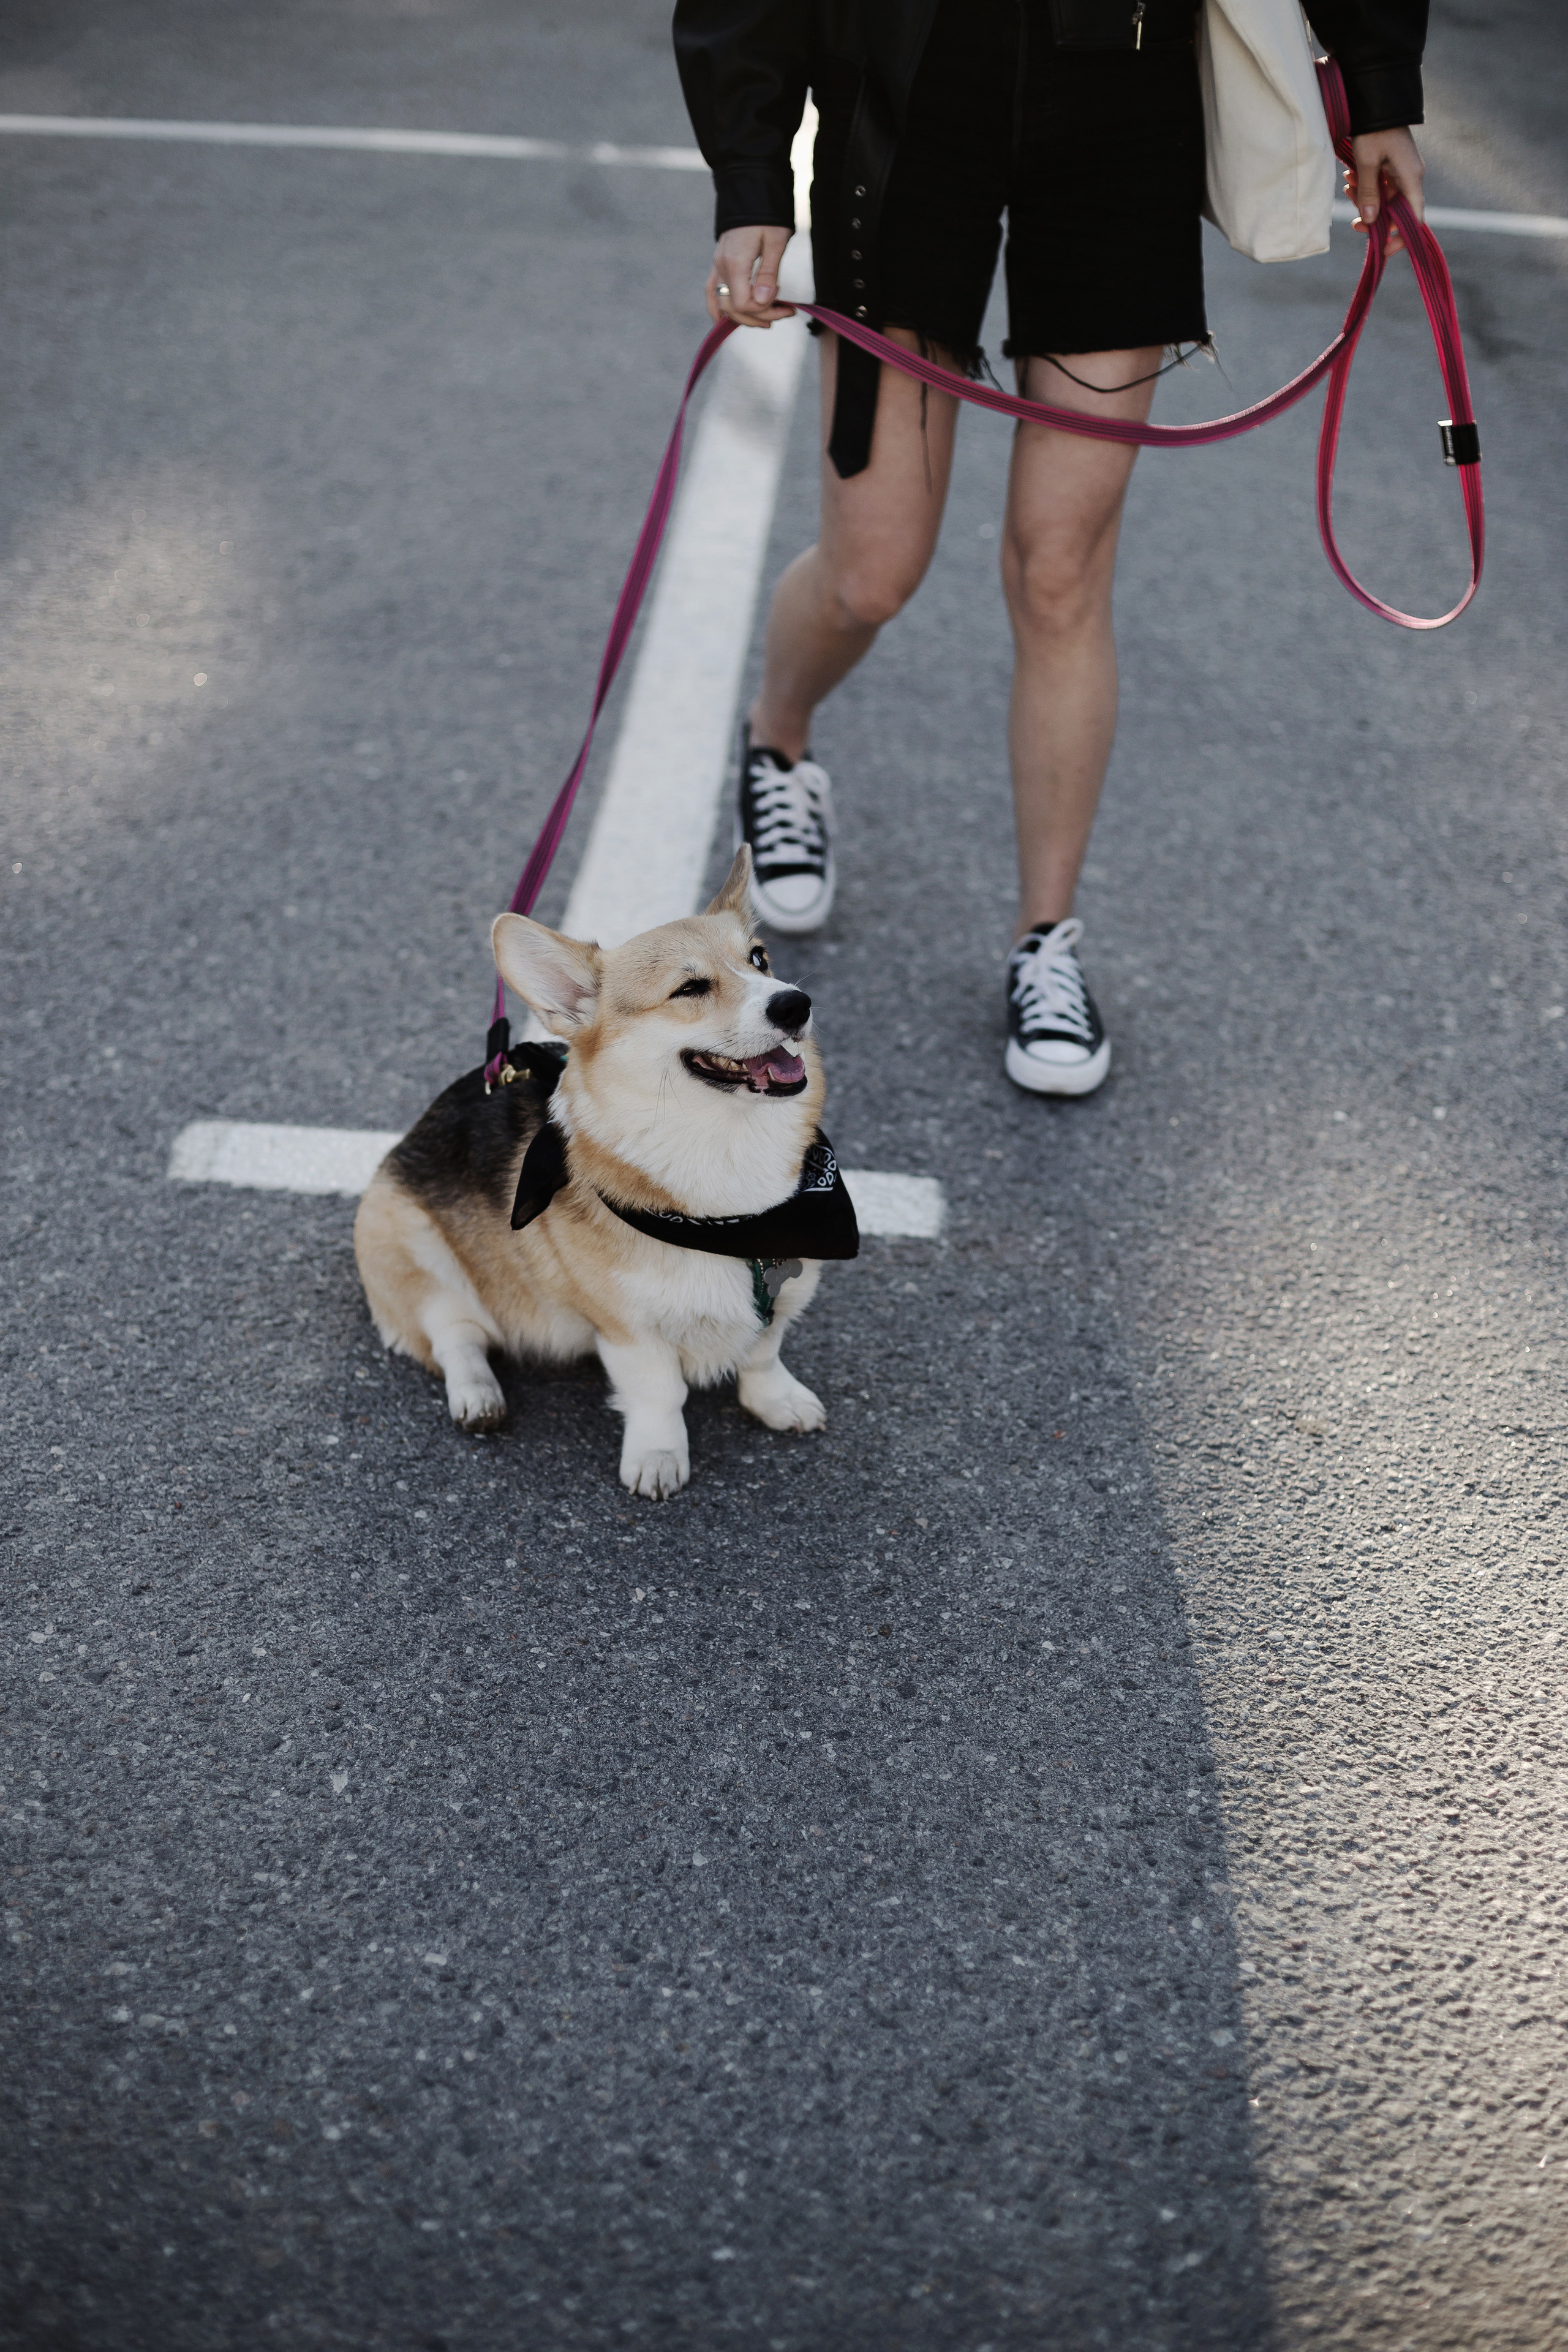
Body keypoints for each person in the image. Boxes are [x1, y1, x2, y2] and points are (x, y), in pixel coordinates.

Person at [673, 0, 1428, 1094]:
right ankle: (779, 744)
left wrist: (1378, 89)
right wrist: (751, 180)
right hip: (909, 94)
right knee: (872, 569)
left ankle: (1047, 941)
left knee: (1061, 568)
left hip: (1125, 98)